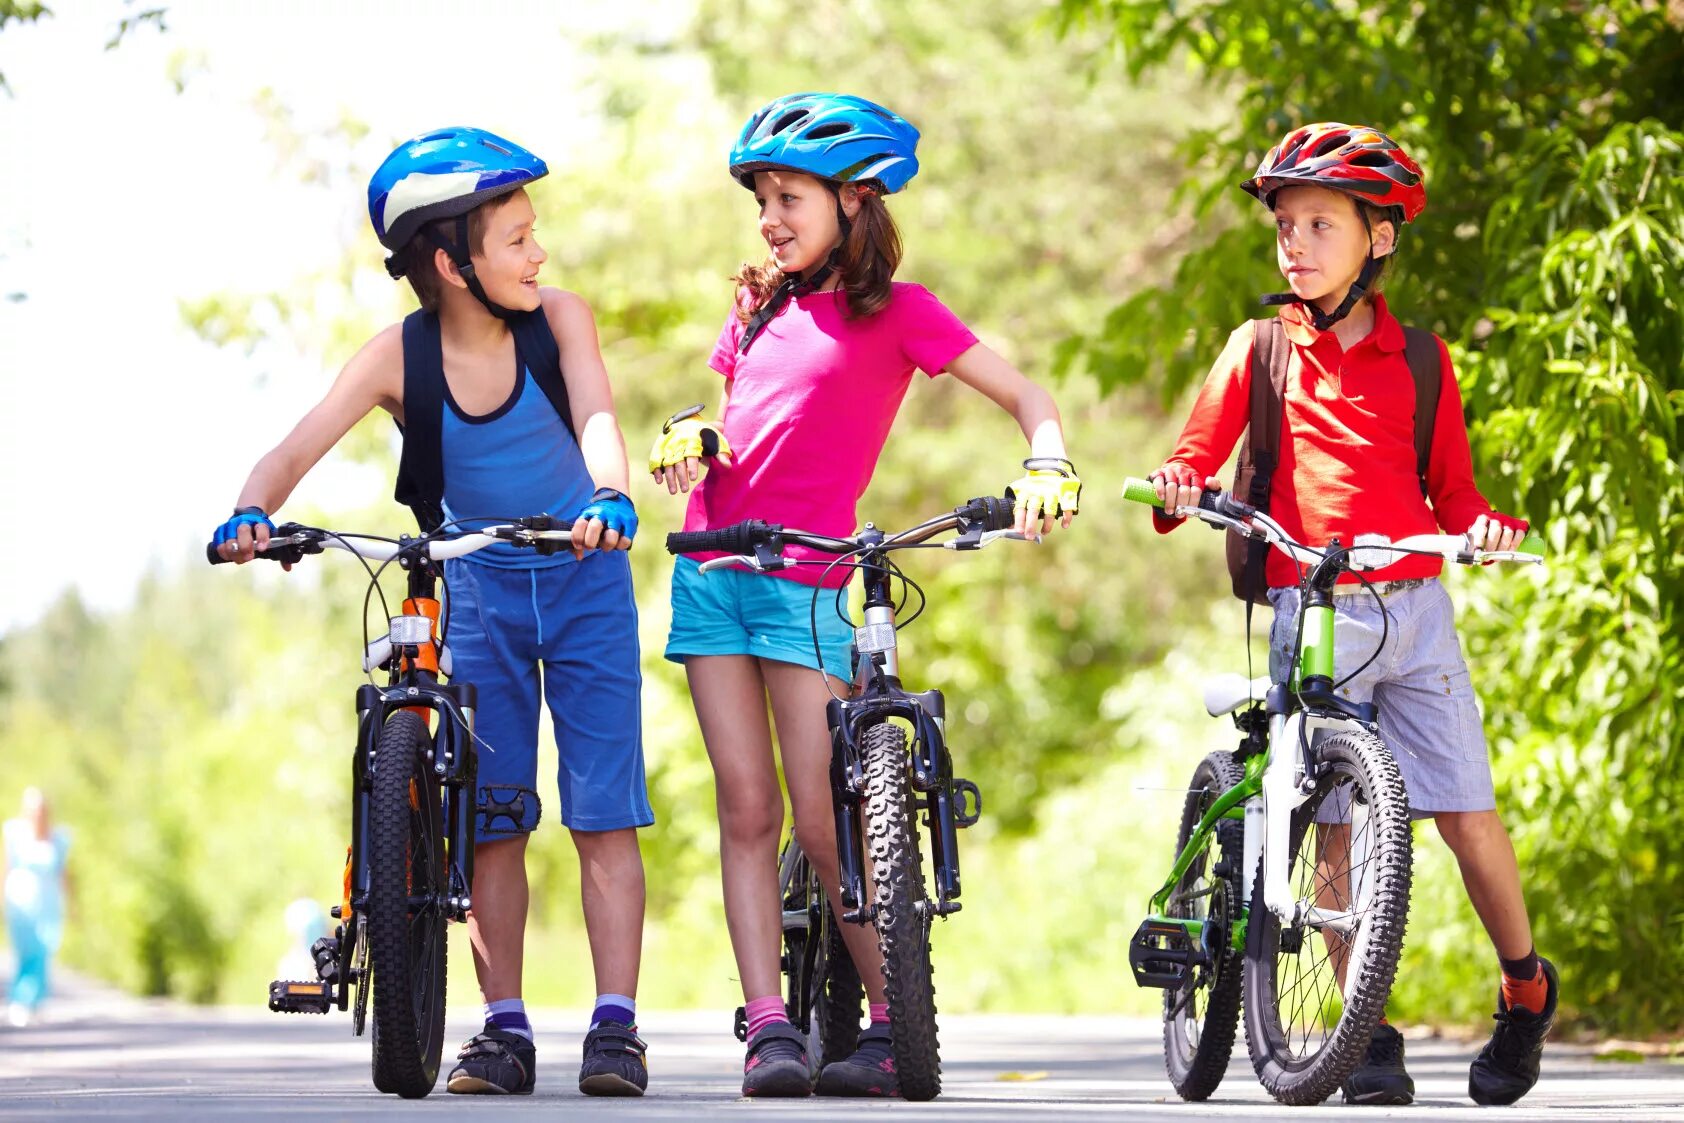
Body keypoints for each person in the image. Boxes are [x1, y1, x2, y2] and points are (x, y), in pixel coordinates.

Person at [650, 92, 1081, 1098]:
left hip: (808, 583)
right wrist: (689, 436)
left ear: (854, 200)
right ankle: (768, 1026)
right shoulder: (754, 304)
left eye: (790, 196)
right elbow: (734, 423)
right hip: (714, 566)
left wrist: (1048, 460)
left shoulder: (900, 314)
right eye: (761, 197)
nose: (770, 216)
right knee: (744, 808)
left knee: (823, 819)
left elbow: (1027, 397)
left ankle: (892, 1021)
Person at [209, 127, 651, 1097]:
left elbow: (599, 424)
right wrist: (253, 511)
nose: (540, 253)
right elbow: (290, 454)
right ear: (453, 264)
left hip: (583, 580)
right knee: (492, 819)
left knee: (602, 816)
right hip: (482, 593)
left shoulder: (559, 320)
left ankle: (615, 1028)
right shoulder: (397, 358)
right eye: (518, 238)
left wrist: (607, 496)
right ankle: (504, 1028)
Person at [1149, 122, 1555, 1107]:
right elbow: (1190, 467)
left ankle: (1525, 989)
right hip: (1309, 605)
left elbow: (1451, 494)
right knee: (1335, 825)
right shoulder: (1258, 349)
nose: (1294, 242)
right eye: (1285, 223)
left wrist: (1489, 526)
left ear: (1379, 238)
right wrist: (1174, 484)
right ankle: (1365, 1032)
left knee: (1465, 817)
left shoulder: (1421, 361)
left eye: (1319, 223)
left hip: (1414, 607)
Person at [4, 788, 70, 1027]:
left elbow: (64, 873)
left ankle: (36, 1000)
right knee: (25, 951)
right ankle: (20, 1001)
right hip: (20, 902)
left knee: (44, 952)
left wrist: (72, 904)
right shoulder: (15, 834)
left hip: (48, 904)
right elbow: (6, 867)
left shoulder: (59, 839)